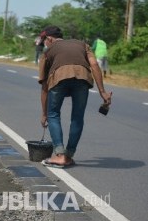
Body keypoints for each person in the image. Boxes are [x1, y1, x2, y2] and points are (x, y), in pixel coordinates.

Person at [38, 26, 112, 167]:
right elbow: (95, 65)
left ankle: (60, 155)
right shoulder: (83, 45)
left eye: (44, 41)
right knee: (77, 117)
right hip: (83, 79)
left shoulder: (48, 52)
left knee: (53, 114)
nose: (44, 44)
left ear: (49, 39)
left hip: (58, 80)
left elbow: (44, 87)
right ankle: (69, 155)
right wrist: (102, 91)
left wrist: (44, 113)